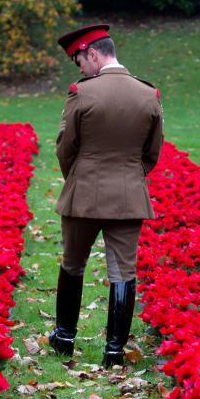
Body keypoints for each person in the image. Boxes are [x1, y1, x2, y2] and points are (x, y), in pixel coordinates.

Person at [48, 24, 164, 368]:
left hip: (83, 193)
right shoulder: (148, 94)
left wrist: (79, 178)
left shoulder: (81, 94)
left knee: (72, 263)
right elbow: (152, 151)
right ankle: (114, 352)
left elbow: (65, 148)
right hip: (129, 196)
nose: (80, 68)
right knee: (123, 272)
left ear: (94, 53)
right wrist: (130, 176)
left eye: (79, 60)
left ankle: (65, 339)